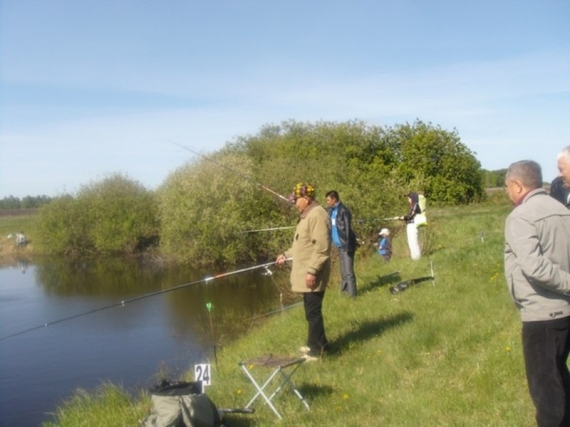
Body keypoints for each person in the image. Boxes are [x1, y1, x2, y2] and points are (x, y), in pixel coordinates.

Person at [503, 160, 570, 426]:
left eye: (508, 187)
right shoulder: (562, 209)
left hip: (542, 314)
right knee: (560, 378)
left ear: (518, 185)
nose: (508, 193)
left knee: (546, 391)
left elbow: (534, 267)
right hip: (565, 312)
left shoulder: (521, 216)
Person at [276, 183, 332, 361]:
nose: (294, 203)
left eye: (296, 199)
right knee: (310, 311)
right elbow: (301, 247)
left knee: (313, 312)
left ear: (306, 199)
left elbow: (322, 248)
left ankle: (316, 352)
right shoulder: (306, 216)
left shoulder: (317, 215)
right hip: (307, 273)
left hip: (313, 273)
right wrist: (285, 254)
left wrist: (313, 271)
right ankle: (317, 344)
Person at [325, 190, 357, 297]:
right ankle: (344, 293)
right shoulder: (331, 211)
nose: (327, 202)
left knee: (348, 271)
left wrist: (347, 246)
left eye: (328, 200)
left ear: (334, 199)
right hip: (339, 246)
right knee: (343, 272)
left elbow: (347, 229)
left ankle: (352, 295)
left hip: (346, 245)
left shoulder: (344, 211)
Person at [398, 192, 422, 260]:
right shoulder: (413, 205)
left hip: (413, 226)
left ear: (413, 198)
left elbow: (410, 216)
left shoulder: (415, 205)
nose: (408, 200)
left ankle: (417, 258)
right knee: (411, 243)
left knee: (414, 242)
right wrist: (400, 218)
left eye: (409, 199)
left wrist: (400, 217)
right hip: (410, 225)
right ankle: (414, 258)